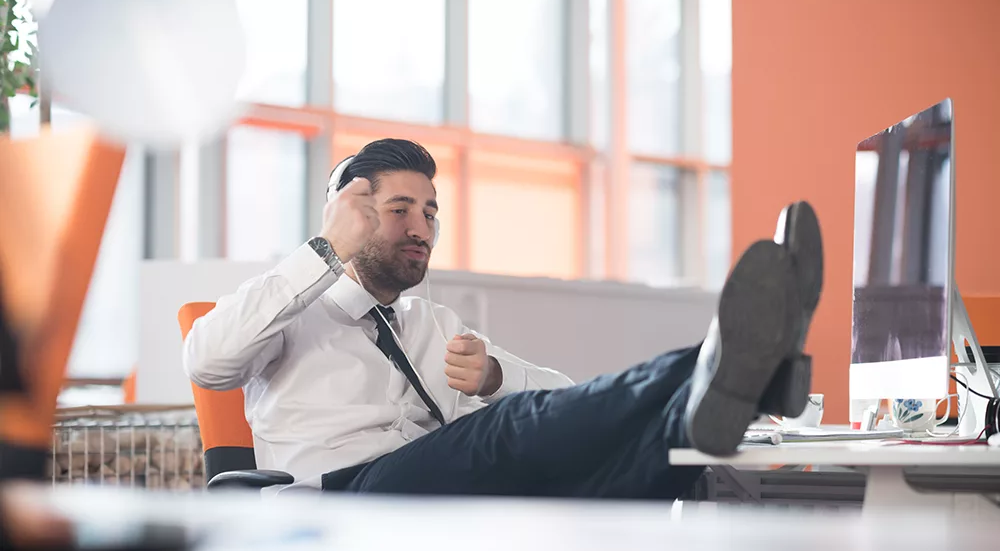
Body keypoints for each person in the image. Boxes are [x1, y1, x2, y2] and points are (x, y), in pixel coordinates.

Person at [183, 138, 823, 499]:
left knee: (634, 467)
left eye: (430, 212)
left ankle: (742, 376)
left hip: (428, 492)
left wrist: (495, 376)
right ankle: (729, 361)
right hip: (338, 500)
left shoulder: (433, 323)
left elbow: (567, 405)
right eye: (400, 209)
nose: (421, 228)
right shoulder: (290, 306)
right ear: (348, 212)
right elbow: (208, 362)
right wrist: (324, 249)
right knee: (505, 431)